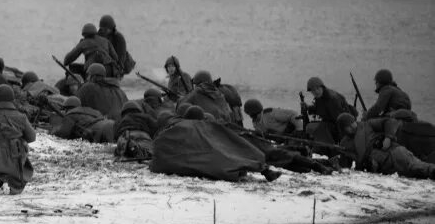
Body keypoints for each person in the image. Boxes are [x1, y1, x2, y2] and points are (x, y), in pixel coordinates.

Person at [149, 104, 282, 182]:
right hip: (210, 157)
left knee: (222, 160)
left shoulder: (175, 128)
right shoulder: (207, 127)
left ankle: (260, 168)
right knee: (232, 155)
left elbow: (159, 145)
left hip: (188, 161)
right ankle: (262, 168)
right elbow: (230, 140)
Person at [337, 113, 435, 179]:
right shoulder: (344, 143)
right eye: (348, 126)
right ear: (343, 129)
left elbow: (389, 121)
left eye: (352, 123)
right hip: (383, 167)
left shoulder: (367, 125)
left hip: (394, 153)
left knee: (418, 167)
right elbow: (346, 164)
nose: (352, 127)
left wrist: (388, 137)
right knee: (416, 174)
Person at [303, 76, 357, 144]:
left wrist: (343, 141)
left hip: (343, 126)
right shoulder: (321, 96)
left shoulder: (331, 99)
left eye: (318, 88)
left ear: (322, 87)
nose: (316, 91)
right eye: (313, 90)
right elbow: (321, 109)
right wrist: (308, 108)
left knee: (315, 127)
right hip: (332, 123)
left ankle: (330, 147)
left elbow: (340, 120)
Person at [50, 96, 114, 142]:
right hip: (112, 124)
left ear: (67, 109)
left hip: (99, 131)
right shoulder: (93, 111)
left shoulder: (71, 114)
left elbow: (62, 134)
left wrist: (52, 130)